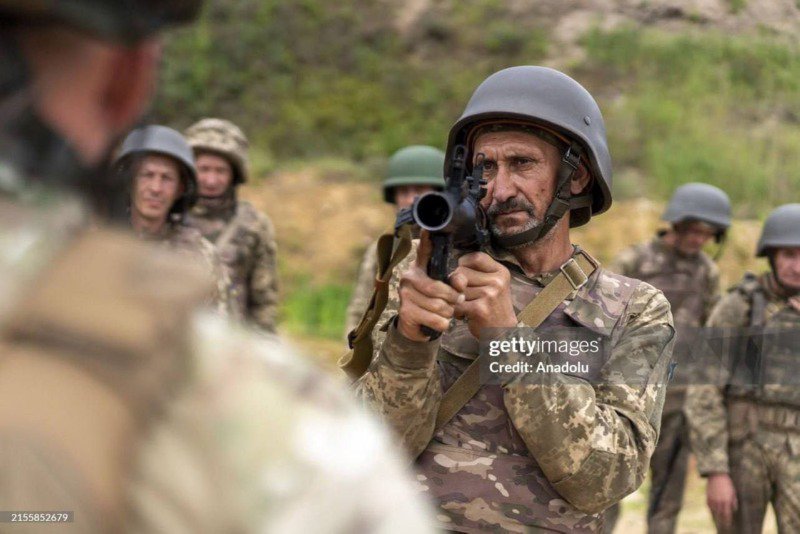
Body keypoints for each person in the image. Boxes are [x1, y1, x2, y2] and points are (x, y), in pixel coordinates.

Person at [0, 2, 435, 532]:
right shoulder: (280, 433)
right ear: (127, 79)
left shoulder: (244, 231)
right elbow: (358, 323)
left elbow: (263, 299)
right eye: (186, 169)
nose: (165, 186)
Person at [355, 65, 676, 533]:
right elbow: (368, 456)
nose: (500, 189)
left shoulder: (636, 309)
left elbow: (606, 480)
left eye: (522, 163)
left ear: (578, 177)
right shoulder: (427, 278)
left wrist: (508, 342)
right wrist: (408, 344)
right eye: (485, 167)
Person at [605, 182, 731, 533]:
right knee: (607, 487)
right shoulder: (635, 260)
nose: (699, 240)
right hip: (628, 395)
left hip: (678, 402)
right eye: (694, 231)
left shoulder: (706, 270)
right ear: (677, 223)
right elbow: (604, 319)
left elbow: (712, 329)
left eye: (708, 234)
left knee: (666, 500)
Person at [685, 203, 800, 534]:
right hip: (744, 448)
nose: (797, 266)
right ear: (772, 256)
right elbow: (704, 389)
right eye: (788, 255)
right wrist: (715, 471)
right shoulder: (740, 306)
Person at [114, 124, 232, 314]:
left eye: (167, 178)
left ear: (181, 189)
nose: (156, 188)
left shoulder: (202, 257)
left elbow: (215, 328)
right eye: (147, 175)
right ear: (129, 181)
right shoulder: (97, 244)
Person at [184, 118, 279, 332]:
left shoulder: (253, 226)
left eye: (220, 171)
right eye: (203, 169)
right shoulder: (168, 219)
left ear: (234, 174)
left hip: (232, 347)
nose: (211, 180)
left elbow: (263, 301)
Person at [345, 144, 445, 335]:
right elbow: (360, 308)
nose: (409, 200)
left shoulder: (458, 243)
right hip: (389, 355)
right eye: (403, 192)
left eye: (419, 190)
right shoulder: (385, 246)